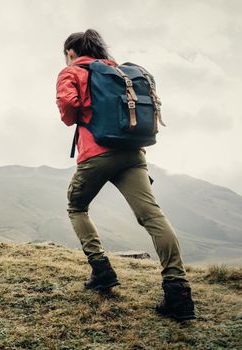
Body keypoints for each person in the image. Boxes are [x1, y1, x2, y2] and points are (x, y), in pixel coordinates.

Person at [55, 29, 196, 321]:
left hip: (97, 153)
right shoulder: (116, 70)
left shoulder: (72, 71)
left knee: (76, 207)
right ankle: (179, 293)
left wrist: (81, 108)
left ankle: (102, 271)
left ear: (71, 51)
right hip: (133, 153)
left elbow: (68, 111)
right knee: (153, 216)